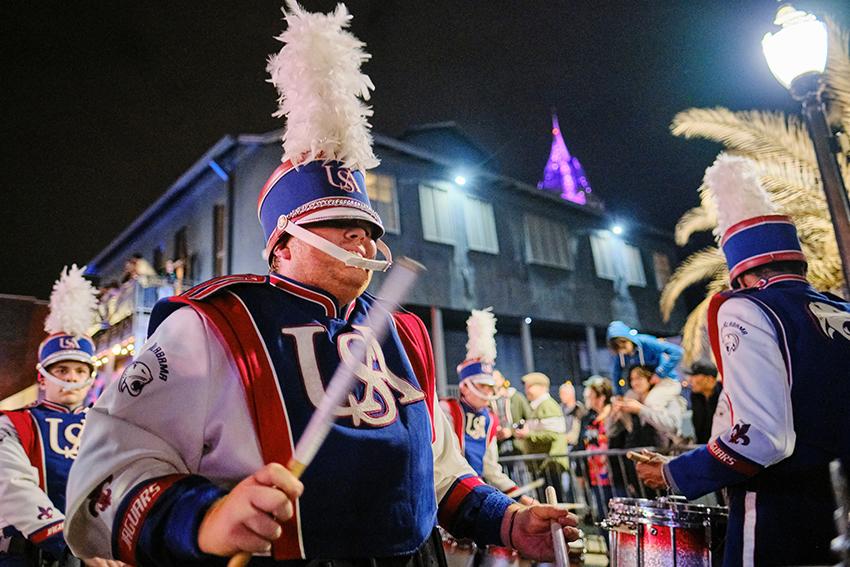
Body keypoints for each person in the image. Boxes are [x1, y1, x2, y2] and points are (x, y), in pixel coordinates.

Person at [64, 5, 579, 566]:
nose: (359, 238)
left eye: (367, 227)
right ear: (282, 244)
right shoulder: (214, 322)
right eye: (338, 225)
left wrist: (507, 520)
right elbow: (111, 467)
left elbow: (437, 466)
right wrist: (208, 519)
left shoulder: (403, 331)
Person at [636, 154, 850, 565]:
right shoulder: (838, 309)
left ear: (743, 273)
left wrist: (674, 473)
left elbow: (762, 438)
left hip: (784, 520)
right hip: (839, 513)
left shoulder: (748, 308)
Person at [0, 266, 120, 567]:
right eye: (62, 370)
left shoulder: (108, 425)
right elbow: (12, 485)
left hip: (99, 554)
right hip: (31, 554)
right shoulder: (14, 424)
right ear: (43, 378)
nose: (71, 378)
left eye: (80, 371)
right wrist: (67, 542)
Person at [441, 309, 534, 506]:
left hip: (475, 493)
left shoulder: (490, 418)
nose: (488, 391)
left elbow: (490, 468)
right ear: (465, 386)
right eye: (482, 386)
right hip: (446, 495)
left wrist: (519, 496)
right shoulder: (446, 410)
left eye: (490, 386)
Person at [514, 373, 568, 501]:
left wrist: (528, 435)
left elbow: (554, 434)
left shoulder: (548, 406)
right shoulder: (537, 406)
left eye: (530, 387)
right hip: (542, 465)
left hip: (550, 464)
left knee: (554, 500)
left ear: (542, 387)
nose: (527, 390)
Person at [610, 365, 685, 450]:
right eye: (632, 379)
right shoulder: (631, 400)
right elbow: (611, 432)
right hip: (636, 457)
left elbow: (673, 427)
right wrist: (615, 413)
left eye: (639, 378)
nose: (634, 383)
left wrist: (641, 410)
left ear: (651, 379)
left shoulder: (668, 399)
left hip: (664, 456)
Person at [606, 321, 683, 395]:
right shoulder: (621, 354)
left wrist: (660, 373)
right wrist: (619, 394)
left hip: (665, 380)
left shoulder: (647, 342)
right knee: (626, 402)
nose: (623, 352)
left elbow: (677, 352)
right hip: (646, 386)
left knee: (652, 401)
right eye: (619, 349)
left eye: (624, 346)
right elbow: (616, 373)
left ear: (628, 339)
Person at [576, 376, 613, 516]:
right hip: (595, 474)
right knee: (602, 513)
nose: (587, 399)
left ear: (601, 397)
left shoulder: (613, 414)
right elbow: (581, 443)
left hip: (613, 473)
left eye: (590, 396)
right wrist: (580, 471)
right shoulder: (588, 418)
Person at [685, 361, 724, 445]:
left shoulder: (724, 394)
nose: (690, 380)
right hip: (703, 446)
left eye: (694, 376)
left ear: (709, 379)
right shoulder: (695, 395)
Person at [557, 381, 585, 446]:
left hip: (574, 444)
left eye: (564, 393)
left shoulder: (579, 409)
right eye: (560, 394)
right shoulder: (558, 409)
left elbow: (576, 433)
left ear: (572, 394)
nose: (561, 396)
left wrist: (563, 438)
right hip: (561, 443)